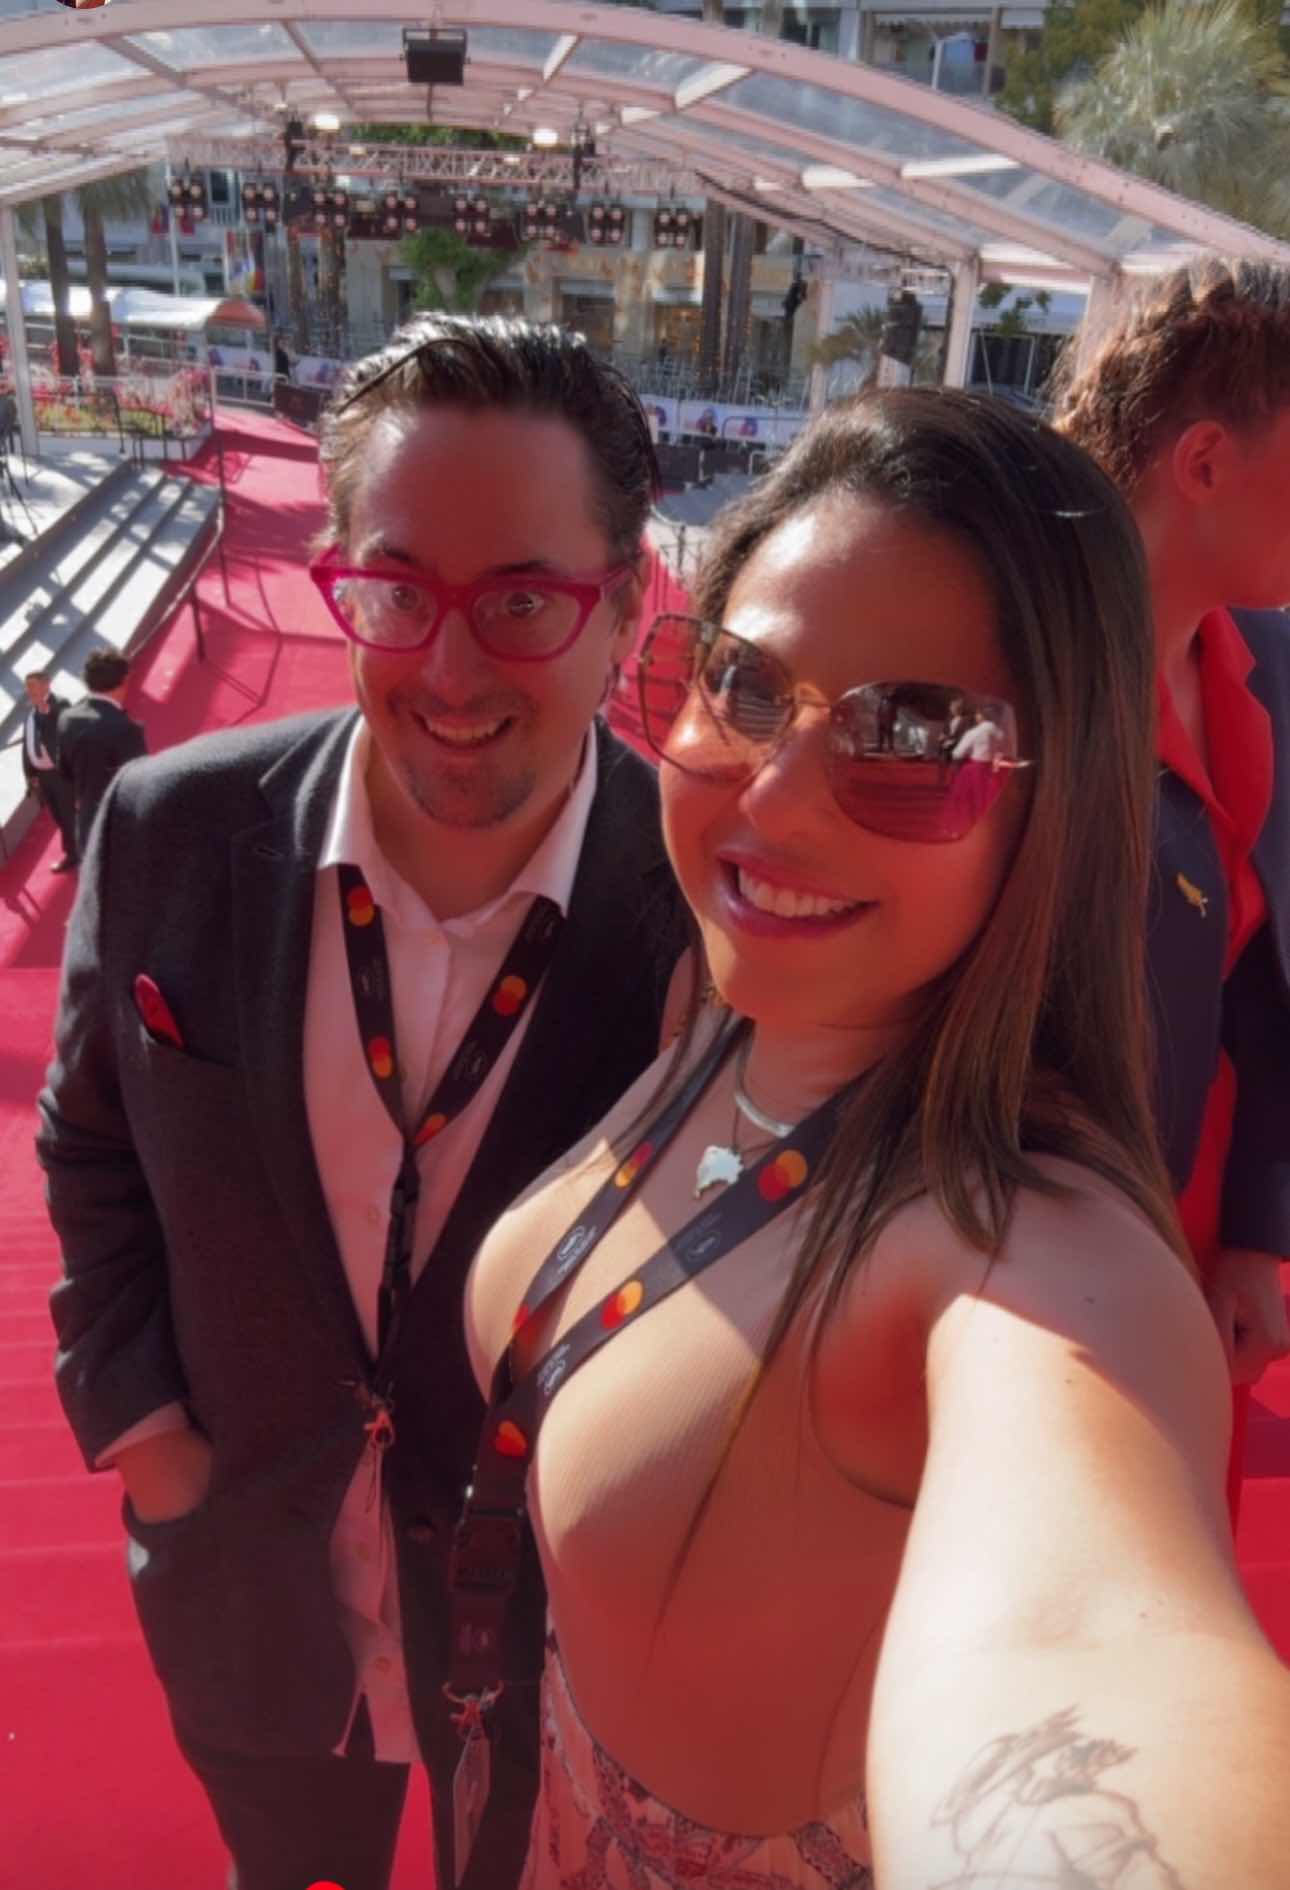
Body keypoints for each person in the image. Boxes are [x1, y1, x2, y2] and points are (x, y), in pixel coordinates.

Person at [465, 389, 1290, 1888]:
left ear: (1055, 805)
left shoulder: (1021, 1253)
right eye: (744, 683)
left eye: (914, 735)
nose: (774, 802)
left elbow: (1087, 1636)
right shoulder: (730, 1004)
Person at [37, 315, 688, 1890]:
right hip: (247, 1591)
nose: (449, 670)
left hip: (553, 1643)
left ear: (623, 609)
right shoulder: (171, 828)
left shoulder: (704, 909)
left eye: (521, 599)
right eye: (395, 590)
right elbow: (93, 1136)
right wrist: (147, 1439)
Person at [1053, 259, 1290, 1500]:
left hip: (1200, 1257)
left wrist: (1257, 1230)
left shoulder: (1269, 658)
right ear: (1203, 462)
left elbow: (1266, 978)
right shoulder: (1016, 672)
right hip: (1037, 1272)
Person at [56, 649, 146, 862]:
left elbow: (64, 771)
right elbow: (140, 786)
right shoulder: (126, 729)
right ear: (124, 681)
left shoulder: (67, 718)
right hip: (120, 831)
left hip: (87, 825)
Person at [20, 669, 77, 872]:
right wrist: (31, 774)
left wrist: (46, 712)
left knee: (69, 816)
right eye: (27, 687)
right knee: (59, 817)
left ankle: (78, 854)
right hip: (44, 776)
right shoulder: (31, 713)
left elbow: (59, 723)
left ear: (47, 684)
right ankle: (76, 851)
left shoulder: (60, 704)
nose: (30, 691)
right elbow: (28, 744)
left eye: (33, 686)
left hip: (60, 773)